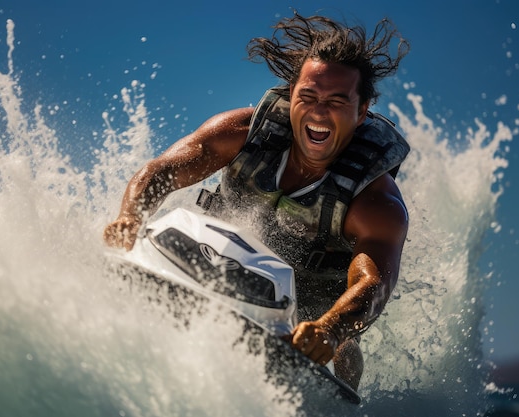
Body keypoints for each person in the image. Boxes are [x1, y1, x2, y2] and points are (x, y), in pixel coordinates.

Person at [104, 12, 410, 390]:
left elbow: (372, 282)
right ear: (291, 96)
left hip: (315, 297)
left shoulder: (375, 201)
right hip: (224, 253)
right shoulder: (241, 133)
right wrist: (130, 217)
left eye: (336, 100)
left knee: (343, 340)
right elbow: (162, 171)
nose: (318, 111)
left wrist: (329, 329)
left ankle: (342, 398)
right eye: (308, 96)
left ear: (361, 112)